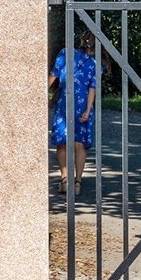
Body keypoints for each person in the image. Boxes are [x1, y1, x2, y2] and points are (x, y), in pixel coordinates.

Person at [48, 29, 97, 194]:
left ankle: (64, 179)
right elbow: (93, 88)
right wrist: (88, 109)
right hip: (82, 105)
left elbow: (53, 75)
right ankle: (77, 182)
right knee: (79, 144)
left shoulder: (65, 54)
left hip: (65, 103)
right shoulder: (93, 64)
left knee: (62, 142)